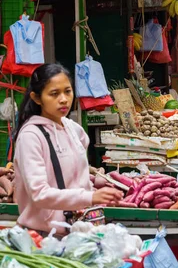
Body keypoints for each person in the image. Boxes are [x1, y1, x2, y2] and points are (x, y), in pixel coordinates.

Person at [13, 64, 123, 235]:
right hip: (44, 235)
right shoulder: (31, 136)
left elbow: (77, 178)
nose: (64, 99)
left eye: (68, 91)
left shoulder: (74, 129)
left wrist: (95, 192)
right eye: (54, 94)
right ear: (37, 98)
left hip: (77, 229)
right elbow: (39, 193)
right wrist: (88, 197)